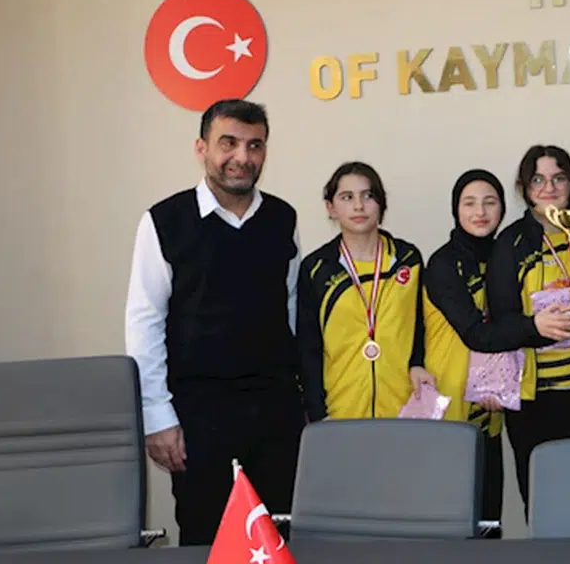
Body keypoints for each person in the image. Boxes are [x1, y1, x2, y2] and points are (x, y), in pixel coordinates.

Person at [124, 99, 304, 545]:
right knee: (209, 539)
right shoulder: (164, 221)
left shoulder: (283, 218)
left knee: (279, 539)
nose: (242, 156)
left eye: (254, 145)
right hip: (199, 417)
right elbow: (144, 322)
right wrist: (157, 417)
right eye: (229, 143)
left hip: (275, 413)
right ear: (201, 148)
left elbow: (291, 309)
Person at [486, 144, 570, 515]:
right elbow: (501, 324)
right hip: (539, 401)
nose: (549, 188)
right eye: (538, 180)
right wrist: (536, 326)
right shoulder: (510, 244)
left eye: (558, 178)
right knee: (546, 504)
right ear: (524, 187)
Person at [296, 161, 433, 423]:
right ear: (331, 208)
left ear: (381, 204)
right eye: (347, 197)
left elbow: (419, 324)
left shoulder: (408, 259)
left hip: (403, 408)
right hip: (340, 411)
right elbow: (308, 348)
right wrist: (317, 413)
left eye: (368, 196)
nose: (359, 206)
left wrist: (417, 363)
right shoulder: (316, 269)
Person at [421, 169, 510, 538]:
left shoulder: (507, 256)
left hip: (490, 407)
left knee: (488, 521)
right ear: (455, 209)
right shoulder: (442, 263)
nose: (480, 212)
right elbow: (475, 332)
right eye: (469, 203)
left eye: (490, 202)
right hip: (451, 403)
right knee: (451, 522)